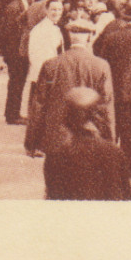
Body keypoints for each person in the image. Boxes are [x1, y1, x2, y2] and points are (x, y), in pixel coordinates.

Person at [25, 17, 114, 159]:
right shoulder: (101, 65)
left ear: (68, 37)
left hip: (58, 139)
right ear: (90, 37)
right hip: (90, 137)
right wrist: (110, 142)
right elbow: (106, 106)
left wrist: (31, 142)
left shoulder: (51, 64)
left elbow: (39, 104)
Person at [92, 0, 131, 178]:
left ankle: (107, 165)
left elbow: (102, 64)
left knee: (112, 129)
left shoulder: (111, 37)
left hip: (112, 90)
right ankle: (128, 166)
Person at [43, 87, 131, 200]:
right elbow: (128, 198)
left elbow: (52, 200)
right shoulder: (115, 153)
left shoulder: (56, 156)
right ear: (99, 116)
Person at [0, 0, 43, 124]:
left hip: (18, 52)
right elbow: (7, 34)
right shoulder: (14, 8)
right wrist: (10, 55)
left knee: (18, 83)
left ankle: (13, 113)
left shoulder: (21, 6)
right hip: (16, 53)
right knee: (16, 83)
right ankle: (12, 115)